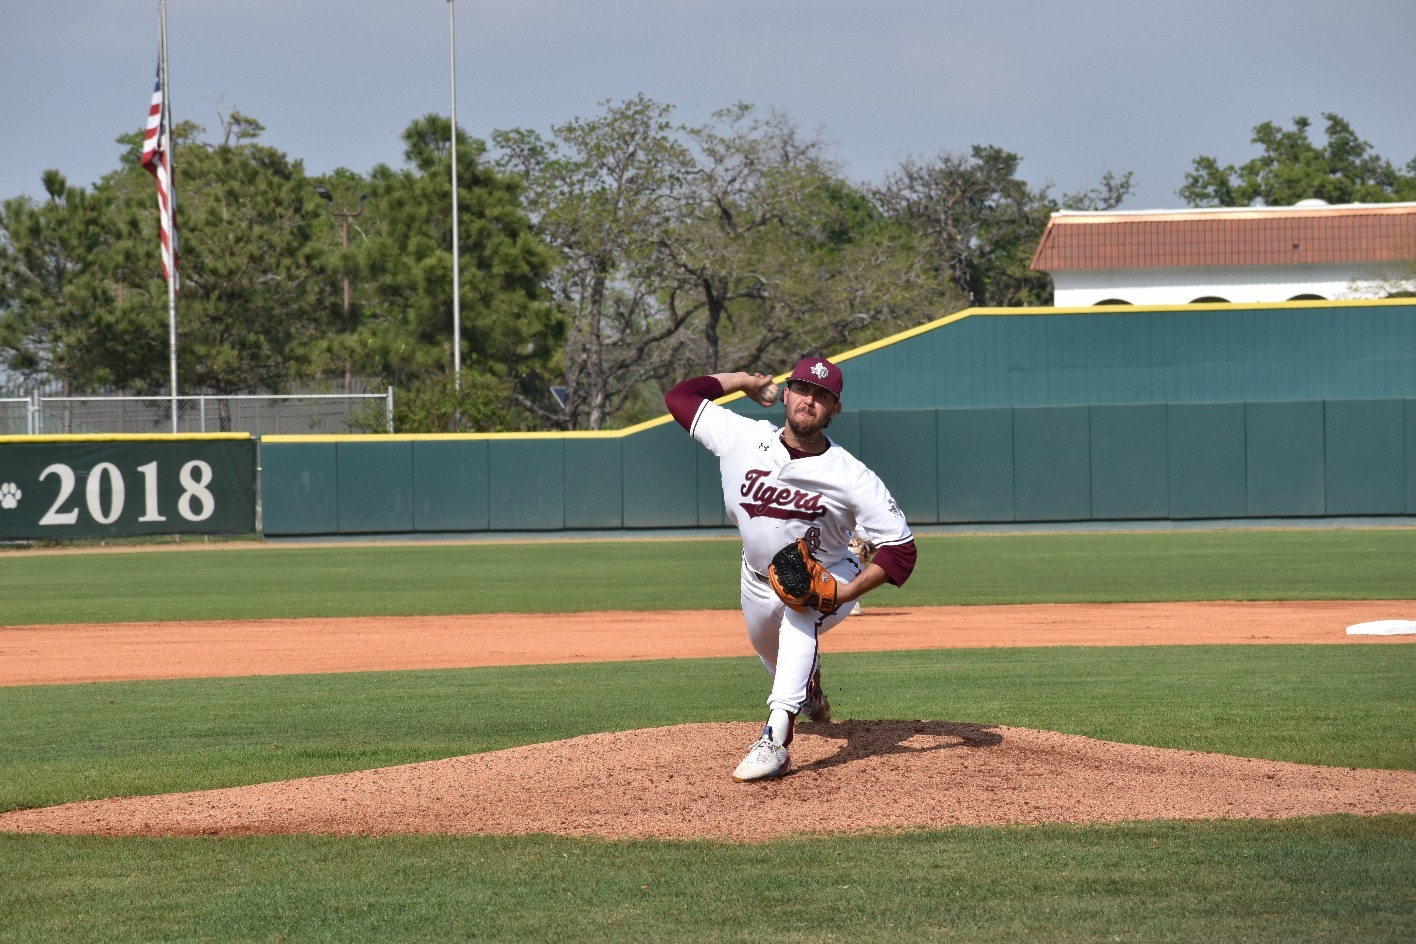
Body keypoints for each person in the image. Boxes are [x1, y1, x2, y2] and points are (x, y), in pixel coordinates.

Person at [665, 356, 918, 782]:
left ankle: (776, 739)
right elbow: (680, 397)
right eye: (802, 389)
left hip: (828, 575)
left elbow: (902, 550)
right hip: (756, 577)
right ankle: (810, 689)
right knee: (772, 653)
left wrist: (844, 593)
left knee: (801, 606)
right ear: (786, 393)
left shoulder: (852, 476)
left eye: (822, 396)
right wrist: (743, 381)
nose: (809, 400)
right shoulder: (741, 436)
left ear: (834, 409)